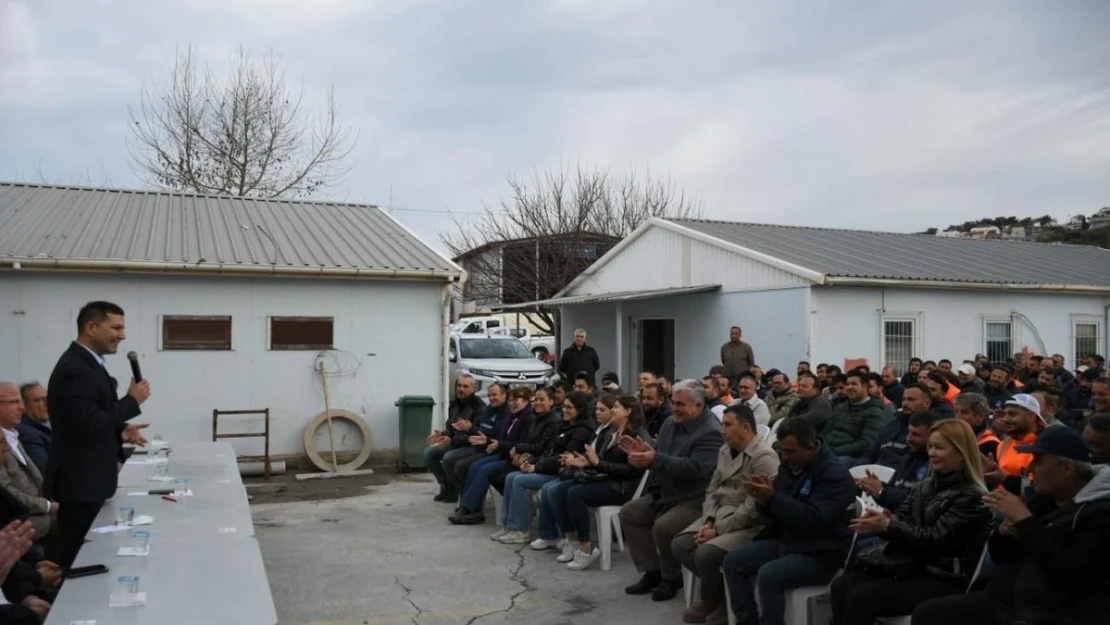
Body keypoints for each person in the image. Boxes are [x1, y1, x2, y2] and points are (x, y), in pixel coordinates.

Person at [914, 426, 1110, 625]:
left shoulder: (1100, 513)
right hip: (1004, 600)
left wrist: (1025, 521)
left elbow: (1071, 575)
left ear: (1067, 468)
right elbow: (1000, 555)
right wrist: (1005, 531)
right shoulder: (1041, 498)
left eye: (1038, 461)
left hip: (1051, 613)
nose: (1031, 469)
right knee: (928, 614)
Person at [831, 419, 992, 625]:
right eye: (931, 446)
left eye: (939, 448)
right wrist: (882, 523)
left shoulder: (972, 495)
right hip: (911, 564)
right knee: (841, 586)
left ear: (961, 453)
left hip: (942, 575)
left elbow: (936, 539)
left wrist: (889, 525)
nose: (932, 453)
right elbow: (902, 521)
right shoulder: (924, 486)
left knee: (862, 596)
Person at [44, 301, 150, 569]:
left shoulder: (91, 364)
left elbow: (90, 415)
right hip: (80, 482)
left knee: (92, 558)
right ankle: (67, 608)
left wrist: (119, 428)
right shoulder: (75, 369)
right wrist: (130, 401)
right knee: (78, 559)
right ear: (91, 327)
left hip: (91, 481)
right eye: (116, 327)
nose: (122, 335)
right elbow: (87, 423)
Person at [722, 417, 857, 625]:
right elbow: (777, 508)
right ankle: (746, 620)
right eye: (783, 450)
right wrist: (762, 500)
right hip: (789, 540)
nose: (784, 457)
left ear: (810, 447)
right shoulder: (791, 464)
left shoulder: (834, 475)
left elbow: (812, 520)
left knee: (769, 576)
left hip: (820, 552)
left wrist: (772, 498)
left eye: (790, 451)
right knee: (733, 561)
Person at [671, 405, 779, 625]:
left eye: (728, 425)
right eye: (722, 424)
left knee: (705, 554)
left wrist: (717, 530)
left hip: (749, 525)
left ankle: (715, 601)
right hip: (718, 515)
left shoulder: (763, 457)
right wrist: (709, 519)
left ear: (746, 427)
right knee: (680, 545)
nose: (722, 430)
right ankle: (720, 592)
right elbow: (712, 489)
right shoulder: (724, 450)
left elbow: (753, 509)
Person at [619, 380, 723, 601]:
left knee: (663, 526)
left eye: (681, 404)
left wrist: (655, 458)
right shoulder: (670, 423)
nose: (674, 408)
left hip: (694, 498)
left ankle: (671, 577)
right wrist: (644, 454)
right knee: (630, 512)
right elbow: (660, 455)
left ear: (698, 405)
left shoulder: (711, 432)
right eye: (673, 402)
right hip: (665, 492)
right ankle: (652, 571)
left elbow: (696, 469)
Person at [550, 395, 651, 570]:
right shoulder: (611, 432)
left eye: (617, 407)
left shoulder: (638, 436)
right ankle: (571, 540)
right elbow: (601, 461)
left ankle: (586, 548)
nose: (612, 410)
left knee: (575, 494)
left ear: (628, 411)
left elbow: (632, 470)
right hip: (607, 479)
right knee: (561, 490)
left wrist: (597, 463)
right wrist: (587, 462)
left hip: (623, 487)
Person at [493, 392, 593, 544]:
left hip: (560, 472)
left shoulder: (581, 431)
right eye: (564, 407)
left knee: (519, 480)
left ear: (579, 410)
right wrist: (531, 461)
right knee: (511, 476)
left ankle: (520, 530)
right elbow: (549, 451)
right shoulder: (564, 425)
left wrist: (536, 467)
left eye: (569, 407)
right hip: (548, 467)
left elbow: (563, 458)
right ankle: (509, 526)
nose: (565, 410)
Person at [448, 387, 534, 525]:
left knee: (484, 469)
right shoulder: (512, 415)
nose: (512, 403)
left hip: (513, 458)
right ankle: (469, 508)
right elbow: (498, 435)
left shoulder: (528, 417)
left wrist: (497, 444)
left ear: (525, 401)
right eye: (511, 400)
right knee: (475, 466)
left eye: (516, 400)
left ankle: (469, 508)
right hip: (501, 452)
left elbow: (520, 443)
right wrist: (487, 440)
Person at [0, 387, 54, 542]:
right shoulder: (5, 439)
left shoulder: (13, 435)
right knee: (75, 522)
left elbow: (38, 476)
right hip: (17, 516)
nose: (21, 407)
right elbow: (6, 490)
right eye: (14, 402)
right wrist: (48, 506)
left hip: (36, 508)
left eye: (21, 402)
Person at [857, 411, 937, 511]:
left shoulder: (934, 465)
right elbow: (891, 497)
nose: (909, 438)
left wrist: (881, 491)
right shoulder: (907, 458)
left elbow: (915, 502)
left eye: (916, 435)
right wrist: (875, 487)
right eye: (909, 433)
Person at [425, 375, 486, 502]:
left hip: (472, 446)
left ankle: (457, 490)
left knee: (449, 458)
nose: (461, 389)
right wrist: (442, 434)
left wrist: (452, 440)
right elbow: (450, 427)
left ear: (473, 389)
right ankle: (446, 485)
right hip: (455, 442)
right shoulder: (455, 404)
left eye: (465, 386)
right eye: (459, 386)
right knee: (429, 453)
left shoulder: (479, 408)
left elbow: (476, 435)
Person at [446, 383, 509, 496]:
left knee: (461, 465)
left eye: (494, 395)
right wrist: (446, 436)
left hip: (491, 449)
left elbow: (495, 433)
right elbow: (477, 429)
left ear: (504, 395)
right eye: (489, 395)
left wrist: (470, 429)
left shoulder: (503, 412)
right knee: (441, 456)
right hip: (475, 445)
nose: (491, 398)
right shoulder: (488, 409)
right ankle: (462, 495)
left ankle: (471, 502)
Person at [854, 383, 933, 469]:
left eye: (911, 400)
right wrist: (858, 470)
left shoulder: (930, 429)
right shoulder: (891, 425)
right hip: (874, 472)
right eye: (903, 399)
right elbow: (870, 454)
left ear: (927, 403)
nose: (905, 404)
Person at [823, 371, 887, 464]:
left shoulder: (874, 412)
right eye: (847, 384)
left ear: (865, 386)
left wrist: (835, 451)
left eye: (854, 384)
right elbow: (825, 432)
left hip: (852, 457)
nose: (849, 387)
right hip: (829, 452)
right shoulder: (840, 408)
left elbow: (867, 443)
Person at [987, 394, 1043, 492]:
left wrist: (1004, 479)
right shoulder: (1004, 444)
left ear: (1031, 416)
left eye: (1012, 414)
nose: (1005, 419)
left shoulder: (1045, 447)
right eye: (1005, 414)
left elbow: (1039, 490)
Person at [953, 392, 1000, 460]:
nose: (957, 416)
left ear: (981, 416)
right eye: (956, 411)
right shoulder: (953, 435)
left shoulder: (990, 444)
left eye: (965, 412)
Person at [15, 383, 49, 475]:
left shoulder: (43, 429)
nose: (46, 404)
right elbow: (47, 470)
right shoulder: (28, 433)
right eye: (39, 400)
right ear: (24, 406)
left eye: (47, 399)